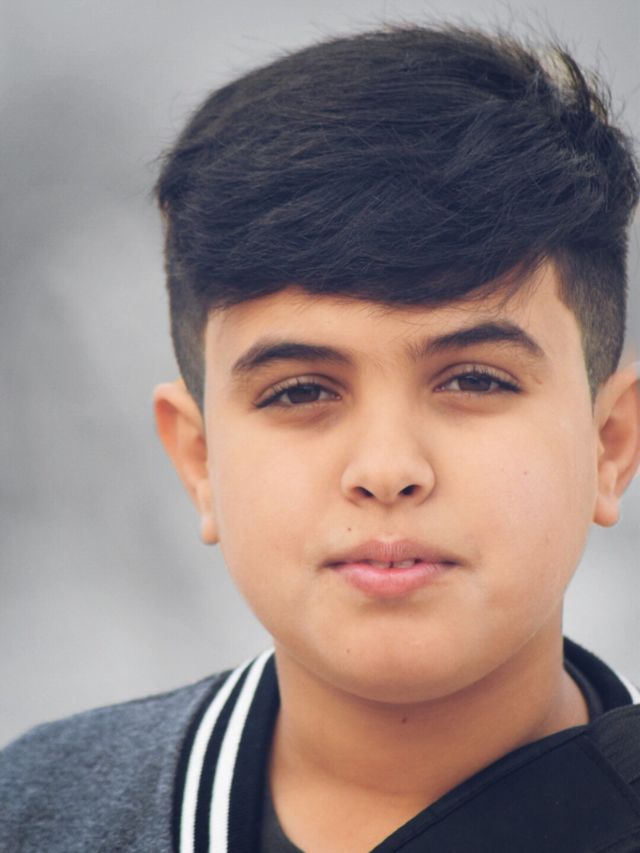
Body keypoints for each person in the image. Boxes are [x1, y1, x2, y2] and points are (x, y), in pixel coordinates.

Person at [2, 23, 640, 853]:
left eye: (474, 380)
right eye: (301, 390)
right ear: (198, 459)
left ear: (609, 442)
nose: (387, 469)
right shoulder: (35, 813)